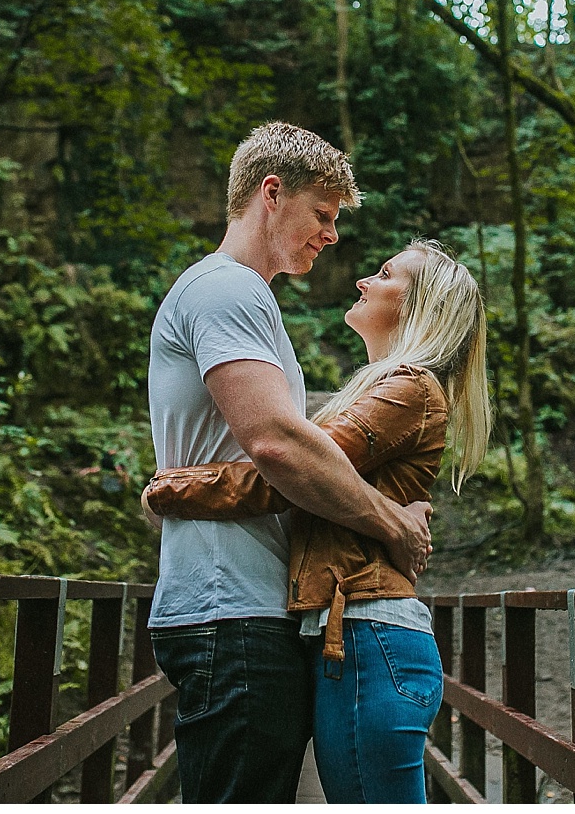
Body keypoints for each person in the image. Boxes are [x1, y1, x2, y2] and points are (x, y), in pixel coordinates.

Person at [143, 122, 435, 804]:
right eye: (323, 215)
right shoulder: (227, 291)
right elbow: (276, 442)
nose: (331, 236)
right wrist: (390, 521)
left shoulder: (244, 300)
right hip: (231, 612)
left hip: (243, 610)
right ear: (271, 194)